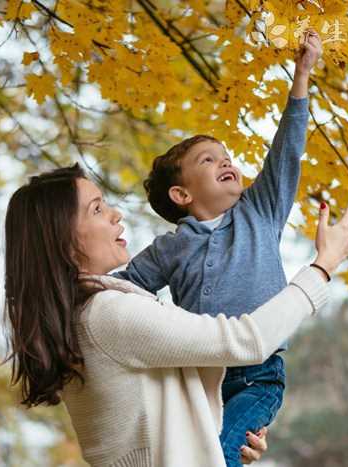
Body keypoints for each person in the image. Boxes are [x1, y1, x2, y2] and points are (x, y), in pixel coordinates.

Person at [4, 164, 348, 466]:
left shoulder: (84, 317)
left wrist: (220, 439)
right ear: (63, 239)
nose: (116, 214)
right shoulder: (108, 313)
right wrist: (322, 266)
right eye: (97, 209)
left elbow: (153, 428)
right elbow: (245, 340)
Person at [113, 30, 324, 466]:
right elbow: (122, 291)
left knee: (221, 455)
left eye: (225, 156)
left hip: (257, 375)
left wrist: (301, 76)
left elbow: (286, 153)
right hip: (196, 378)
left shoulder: (260, 212)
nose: (225, 161)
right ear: (181, 195)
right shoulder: (168, 249)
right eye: (207, 161)